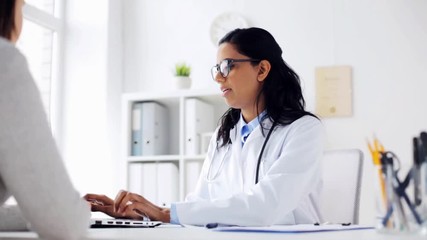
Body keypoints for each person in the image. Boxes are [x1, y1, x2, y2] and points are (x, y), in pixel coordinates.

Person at [85, 27, 324, 226]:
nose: (219, 77)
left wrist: (166, 213)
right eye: (217, 69)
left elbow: (267, 205)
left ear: (261, 69)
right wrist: (141, 214)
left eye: (227, 66)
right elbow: (199, 203)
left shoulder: (304, 129)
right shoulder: (225, 134)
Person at [0, 0, 90, 239]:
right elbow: (65, 226)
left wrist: (34, 210)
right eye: (22, 6)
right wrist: (77, 210)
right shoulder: (5, 64)